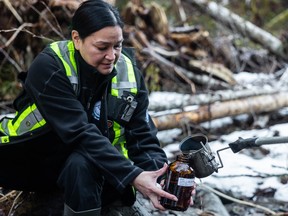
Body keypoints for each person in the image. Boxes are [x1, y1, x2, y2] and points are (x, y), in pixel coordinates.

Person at [0, 0, 180, 215]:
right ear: (76, 39)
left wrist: (161, 178)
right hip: (29, 160)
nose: (112, 56)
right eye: (102, 47)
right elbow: (79, 133)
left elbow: (142, 134)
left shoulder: (129, 72)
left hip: (90, 164)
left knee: (83, 163)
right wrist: (133, 175)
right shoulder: (50, 67)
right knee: (82, 161)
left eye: (118, 46)